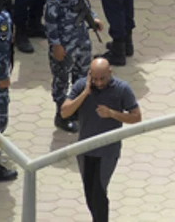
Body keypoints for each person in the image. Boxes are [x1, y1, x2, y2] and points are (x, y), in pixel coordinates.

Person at [60, 56, 140, 219]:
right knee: (89, 192)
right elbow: (64, 112)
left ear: (110, 72)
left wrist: (112, 113)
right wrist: (84, 93)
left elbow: (136, 116)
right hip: (85, 149)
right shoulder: (82, 86)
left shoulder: (122, 89)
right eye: (95, 78)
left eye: (102, 78)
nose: (99, 83)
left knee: (99, 192)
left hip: (107, 151)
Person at [45, 0, 102, 123]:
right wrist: (56, 44)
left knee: (82, 74)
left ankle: (76, 109)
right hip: (64, 40)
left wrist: (93, 19)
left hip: (80, 36)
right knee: (62, 79)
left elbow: (83, 1)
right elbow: (50, 19)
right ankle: (61, 115)